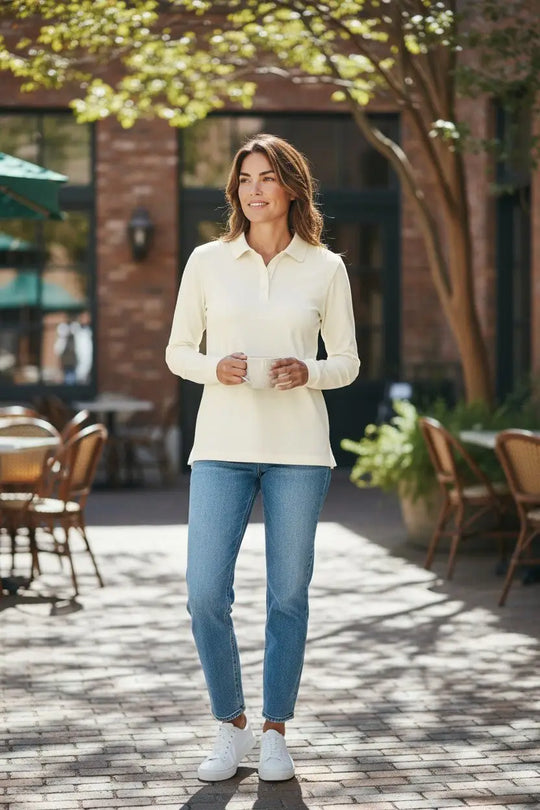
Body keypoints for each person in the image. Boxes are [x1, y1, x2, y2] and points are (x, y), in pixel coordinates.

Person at [166, 134, 359, 782]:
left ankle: (276, 729)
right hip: (220, 449)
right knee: (202, 596)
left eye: (266, 177)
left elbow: (349, 363)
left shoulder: (326, 268)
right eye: (244, 178)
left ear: (292, 188)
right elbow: (177, 352)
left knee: (288, 597)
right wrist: (213, 368)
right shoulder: (206, 261)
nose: (253, 189)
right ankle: (233, 725)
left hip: (299, 454)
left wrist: (307, 371)